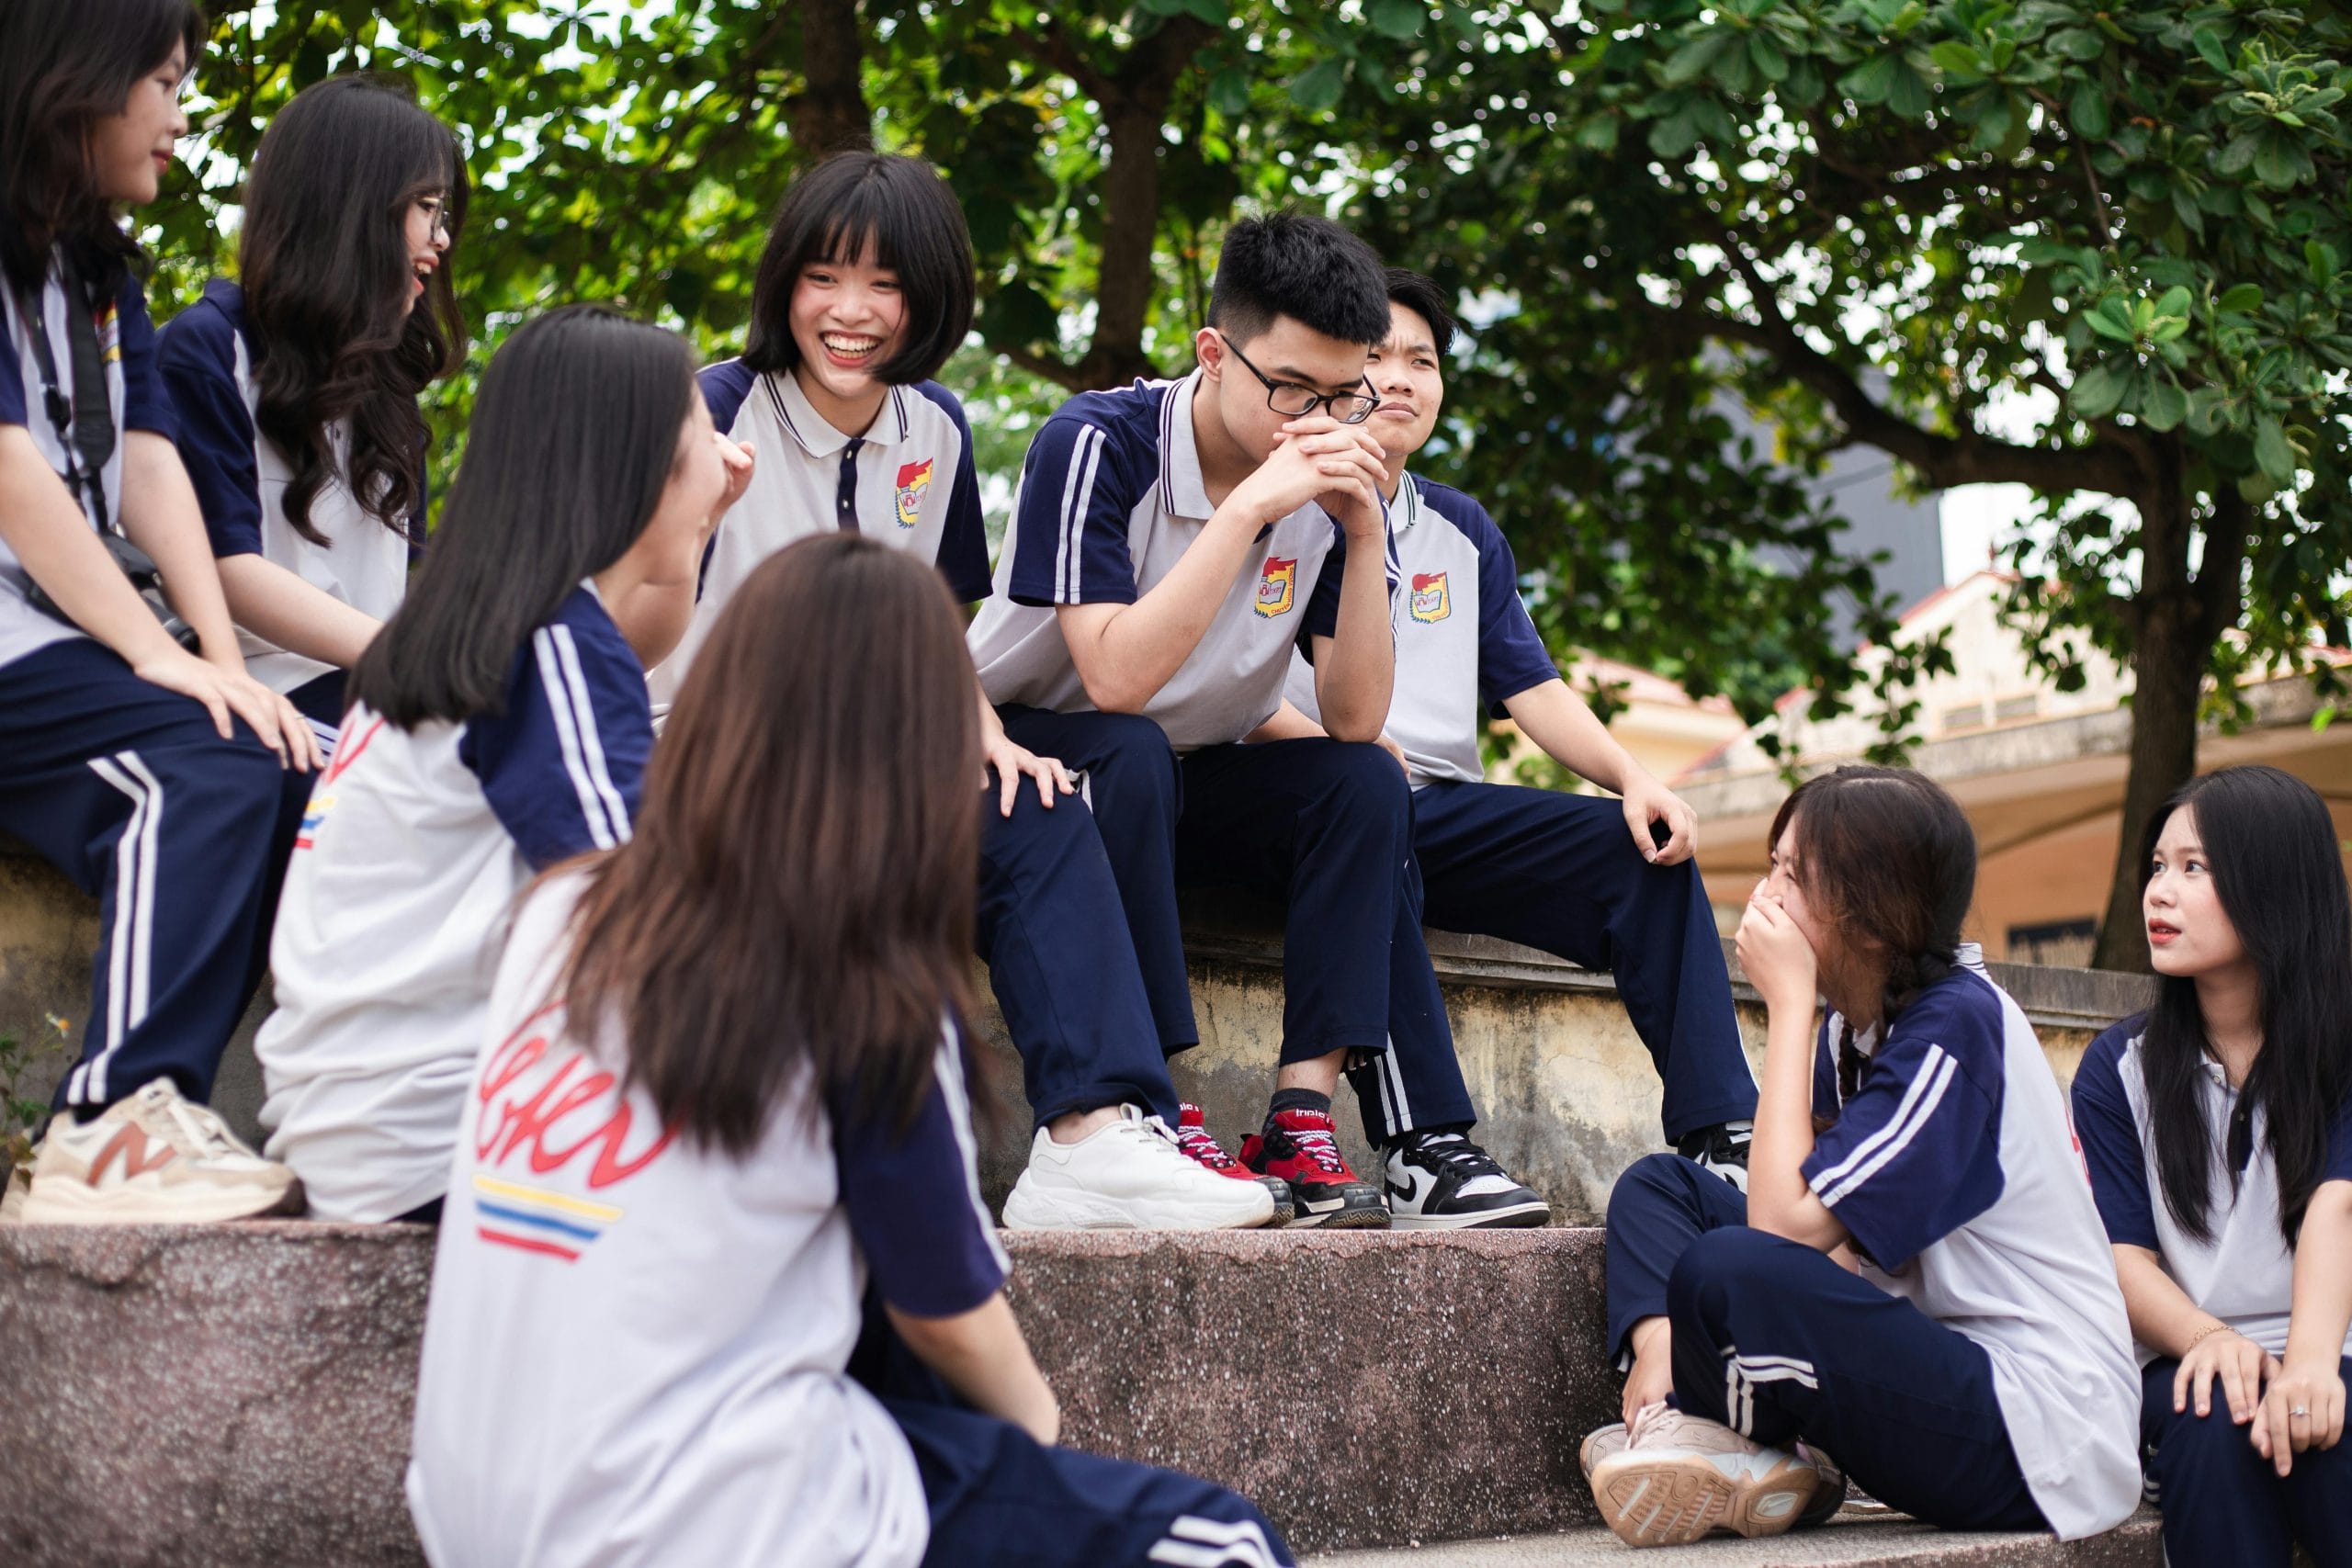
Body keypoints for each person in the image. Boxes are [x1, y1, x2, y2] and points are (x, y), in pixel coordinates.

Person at [407, 534, 1296, 1568]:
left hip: (474, 1517)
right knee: (1222, 1542)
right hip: (678, 1527)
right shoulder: (853, 978)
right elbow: (950, 1317)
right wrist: (1043, 1458)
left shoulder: (562, 909)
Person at [673, 152, 1272, 1231]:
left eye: (886, 284)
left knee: (1042, 799)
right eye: (822, 276)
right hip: (726, 764)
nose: (851, 312)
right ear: (781, 285)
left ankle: (1090, 1140)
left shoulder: (934, 427)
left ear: (928, 296)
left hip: (880, 768)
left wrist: (983, 731)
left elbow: (936, 617)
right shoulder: (713, 411)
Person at [967, 211, 1547, 1230]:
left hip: (1184, 776)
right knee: (1131, 748)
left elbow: (1358, 718)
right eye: (1290, 389)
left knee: (1362, 782)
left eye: (1341, 394)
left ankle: (1298, 1118)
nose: (1315, 420)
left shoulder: (1333, 491)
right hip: (1021, 751)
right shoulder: (1098, 441)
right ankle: (1153, 1110)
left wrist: (1362, 539)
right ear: (1212, 353)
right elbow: (1110, 679)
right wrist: (1244, 513)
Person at [252, 305, 751, 1224]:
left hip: (353, 1129)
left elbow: (634, 637)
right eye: (705, 431)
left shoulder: (466, 633)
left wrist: (698, 526)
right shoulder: (550, 643)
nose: (723, 459)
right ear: (635, 462)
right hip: (443, 1142)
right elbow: (643, 918)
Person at [1269, 268, 1758, 1194]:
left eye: (1423, 359)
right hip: (1317, 807)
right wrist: (1323, 744)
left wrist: (1632, 780)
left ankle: (1722, 1137)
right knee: (1371, 807)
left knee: (1644, 853)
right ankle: (1423, 1150)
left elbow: (1532, 688)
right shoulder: (1276, 505)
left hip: (1441, 810)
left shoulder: (1460, 528)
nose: (1402, 378)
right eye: (1376, 356)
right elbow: (1224, 682)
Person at [1583, 765, 2140, 1547]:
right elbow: (1823, 1246)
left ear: (1874, 921)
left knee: (1730, 1268)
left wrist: (1787, 1006)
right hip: (1929, 1356)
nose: (1766, 897)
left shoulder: (1958, 1028)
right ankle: (1707, 1423)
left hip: (2036, 1429)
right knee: (1661, 1188)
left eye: (1794, 876)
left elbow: (1780, 1236)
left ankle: (1745, 1445)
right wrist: (1663, 1340)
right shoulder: (1858, 1026)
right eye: (1773, 865)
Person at [3, 0, 320, 1225]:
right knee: (205, 763)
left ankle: (162, 1111)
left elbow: (147, 461)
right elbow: (10, 465)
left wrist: (223, 663)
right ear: (80, 77)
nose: (179, 120)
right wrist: (155, 656)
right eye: (168, 82)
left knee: (277, 750)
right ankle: (108, 1121)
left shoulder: (94, 264)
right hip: (22, 637)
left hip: (52, 633)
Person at [2071, 765, 2352, 1567]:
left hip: (2334, 1350)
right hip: (2190, 1358)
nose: (2161, 891)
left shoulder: (2342, 1045)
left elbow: (2340, 1203)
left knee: (2328, 1430)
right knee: (2211, 1416)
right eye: (2157, 866)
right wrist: (2213, 1338)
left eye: (2194, 867)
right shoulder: (2117, 1066)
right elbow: (2124, 1260)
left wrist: (2304, 1367)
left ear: (2275, 884)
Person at [157, 72, 465, 743]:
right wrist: (412, 657)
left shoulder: (392, 390)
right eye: (426, 207)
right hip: (259, 701)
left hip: (378, 699)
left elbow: (403, 587)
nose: (441, 240)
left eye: (443, 216)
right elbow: (223, 569)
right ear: (353, 203)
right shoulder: (205, 350)